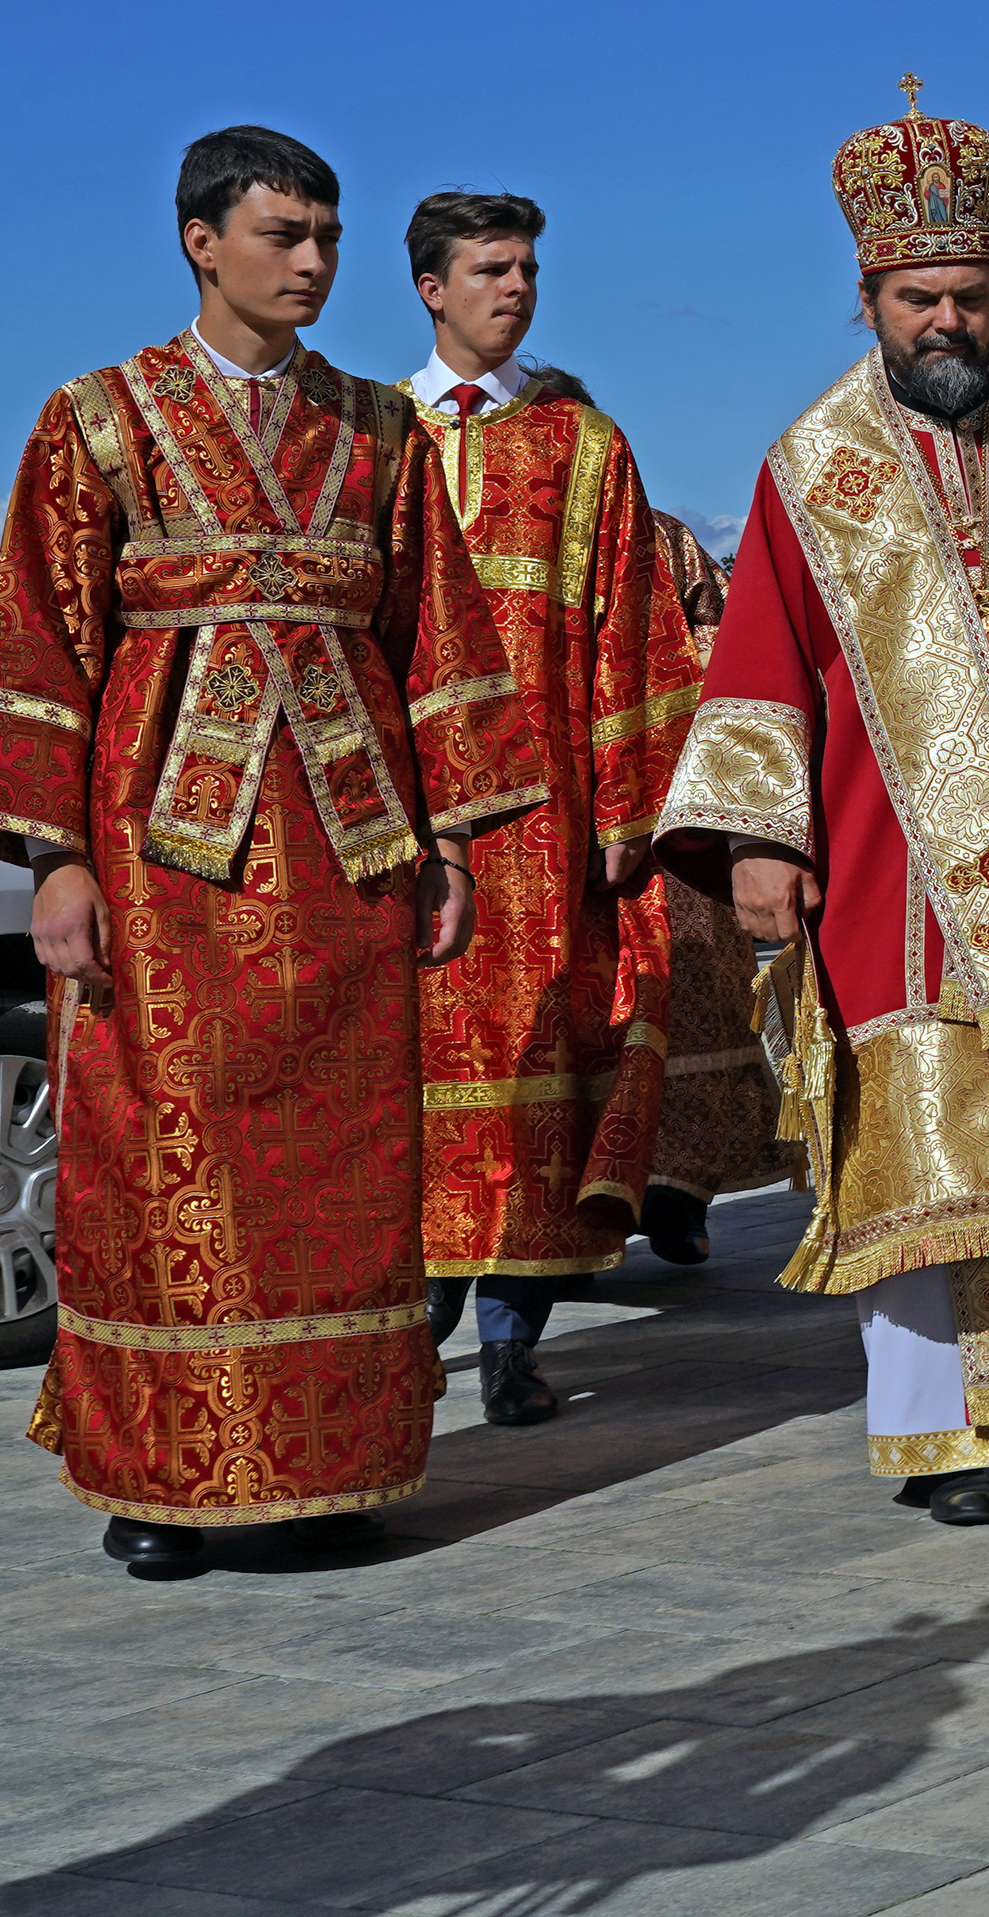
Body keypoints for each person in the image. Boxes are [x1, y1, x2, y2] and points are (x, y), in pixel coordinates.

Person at [0, 127, 540, 1581]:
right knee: (160, 1165)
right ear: (198, 240)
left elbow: (442, 640)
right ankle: (162, 1474)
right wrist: (53, 861)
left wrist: (457, 838)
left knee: (343, 1175)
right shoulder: (98, 416)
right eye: (283, 233)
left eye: (328, 237)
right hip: (165, 872)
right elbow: (41, 638)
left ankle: (337, 1470)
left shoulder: (380, 429)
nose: (313, 262)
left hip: (352, 865)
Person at [657, 87, 989, 1527]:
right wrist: (762, 840)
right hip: (902, 870)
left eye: (967, 293)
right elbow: (757, 663)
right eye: (919, 295)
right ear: (868, 294)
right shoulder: (815, 464)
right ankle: (954, 1439)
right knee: (938, 1137)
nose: (949, 318)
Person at [397, 192, 706, 1422]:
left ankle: (516, 1346)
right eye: (489, 270)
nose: (515, 288)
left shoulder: (585, 445)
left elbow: (635, 627)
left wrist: (631, 806)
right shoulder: (379, 436)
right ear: (432, 287)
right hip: (414, 823)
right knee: (409, 1079)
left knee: (539, 1069)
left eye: (526, 268)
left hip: (546, 819)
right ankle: (409, 1339)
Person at [633, 511, 796, 1258]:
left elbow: (719, 646)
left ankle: (680, 1194)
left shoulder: (662, 536)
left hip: (673, 798)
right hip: (603, 799)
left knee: (694, 993)